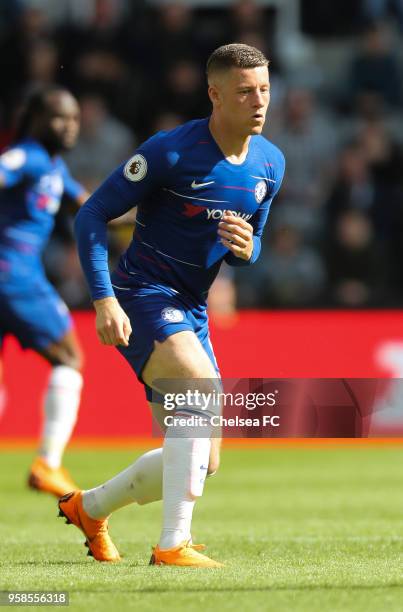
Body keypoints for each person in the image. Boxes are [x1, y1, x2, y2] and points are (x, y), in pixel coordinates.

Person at [61, 43, 285, 567]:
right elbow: (91, 215)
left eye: (265, 90)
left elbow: (250, 248)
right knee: (201, 390)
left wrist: (249, 251)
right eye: (245, 91)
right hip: (141, 294)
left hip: (193, 309)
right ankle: (171, 546)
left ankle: (89, 508)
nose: (259, 101)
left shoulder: (271, 163)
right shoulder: (171, 151)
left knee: (202, 463)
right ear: (215, 95)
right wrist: (103, 299)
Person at [0, 86, 89, 497]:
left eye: (73, 119)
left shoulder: (54, 168)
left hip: (15, 277)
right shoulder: (29, 156)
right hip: (13, 276)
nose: (69, 126)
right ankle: (49, 464)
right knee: (69, 355)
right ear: (35, 119)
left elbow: (93, 208)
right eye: (59, 117)